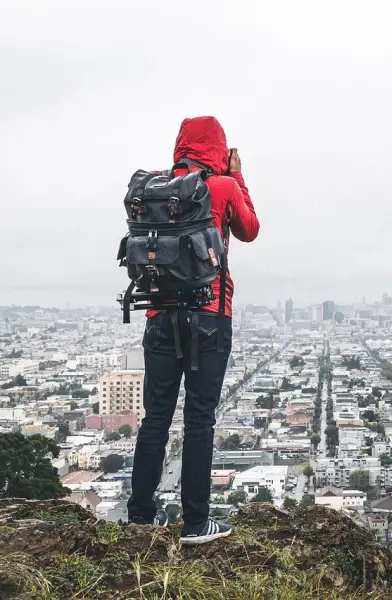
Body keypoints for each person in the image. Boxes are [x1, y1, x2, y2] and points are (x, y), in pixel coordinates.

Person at [127, 116, 260, 544]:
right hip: (209, 316)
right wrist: (237, 176)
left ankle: (141, 517)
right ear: (219, 150)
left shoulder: (156, 190)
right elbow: (250, 230)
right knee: (199, 419)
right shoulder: (220, 188)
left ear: (180, 147)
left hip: (158, 316)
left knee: (156, 419)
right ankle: (197, 523)